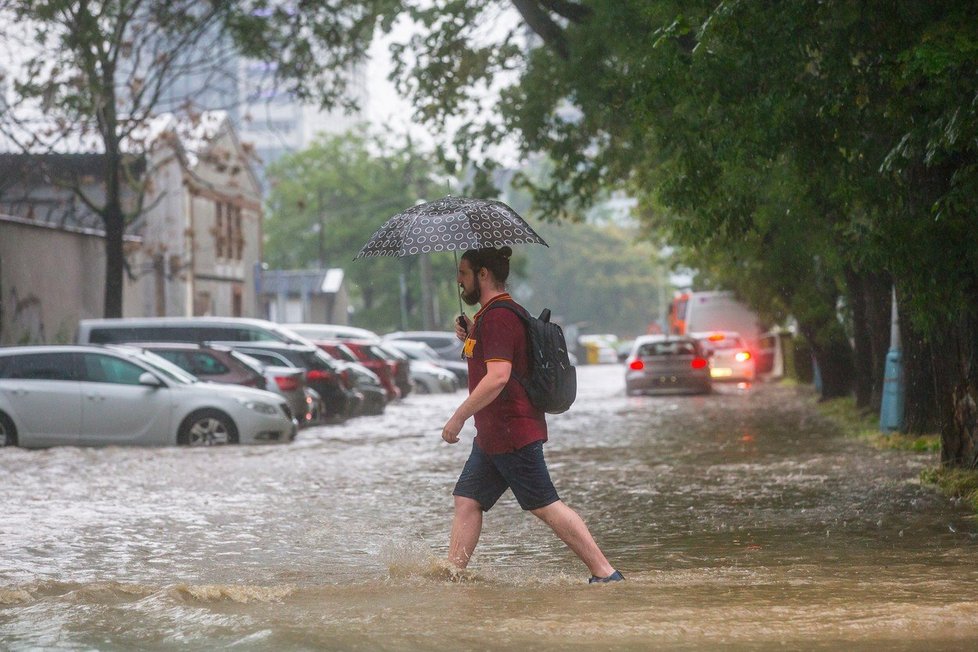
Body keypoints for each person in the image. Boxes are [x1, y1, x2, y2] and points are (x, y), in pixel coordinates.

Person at [440, 246, 624, 584]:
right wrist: (472, 336)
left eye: (463, 274)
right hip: (494, 436)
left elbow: (497, 377)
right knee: (467, 499)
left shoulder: (498, 317)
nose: (458, 281)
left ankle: (605, 572)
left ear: (483, 275)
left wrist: (458, 417)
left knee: (545, 504)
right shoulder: (495, 315)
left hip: (511, 433)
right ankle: (452, 575)